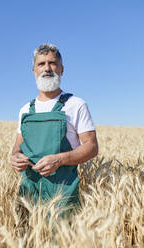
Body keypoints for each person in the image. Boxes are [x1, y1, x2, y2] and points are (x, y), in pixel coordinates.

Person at [11, 44, 98, 214]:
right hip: (28, 193)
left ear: (62, 69)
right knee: (25, 239)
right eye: (41, 64)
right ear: (34, 70)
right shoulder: (25, 110)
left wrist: (59, 160)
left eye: (52, 63)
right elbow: (17, 148)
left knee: (62, 239)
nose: (47, 68)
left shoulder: (76, 105)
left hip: (62, 194)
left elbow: (92, 147)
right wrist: (15, 158)